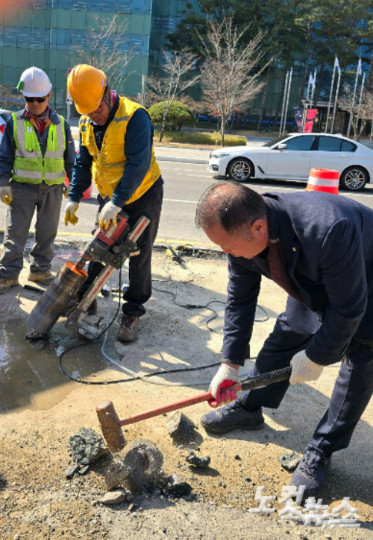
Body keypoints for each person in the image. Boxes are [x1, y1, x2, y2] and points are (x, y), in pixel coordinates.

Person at [195, 180, 373, 498]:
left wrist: (318, 356)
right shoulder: (245, 233)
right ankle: (250, 407)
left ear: (259, 227)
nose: (226, 253)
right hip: (315, 269)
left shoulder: (327, 228)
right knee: (290, 328)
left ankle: (320, 453)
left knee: (361, 359)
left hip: (368, 275)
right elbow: (240, 299)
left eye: (228, 246)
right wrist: (230, 364)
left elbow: (348, 310)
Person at [65, 64, 163, 342]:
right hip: (110, 197)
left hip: (143, 193)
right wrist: (74, 196)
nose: (94, 116)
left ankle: (132, 311)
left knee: (139, 254)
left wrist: (118, 201)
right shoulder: (86, 121)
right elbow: (84, 162)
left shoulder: (135, 117)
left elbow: (138, 165)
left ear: (107, 94)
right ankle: (87, 296)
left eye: (97, 110)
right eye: (87, 112)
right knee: (99, 246)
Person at [0, 67, 75, 294]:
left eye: (39, 99)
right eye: (29, 99)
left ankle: (40, 270)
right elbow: (4, 157)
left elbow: (70, 159)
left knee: (47, 233)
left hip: (52, 189)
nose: (34, 104)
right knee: (15, 234)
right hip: (21, 188)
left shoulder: (61, 124)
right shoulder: (14, 122)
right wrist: (3, 183)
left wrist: (73, 190)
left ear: (49, 96)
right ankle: (8, 274)